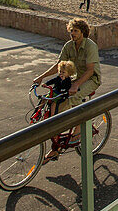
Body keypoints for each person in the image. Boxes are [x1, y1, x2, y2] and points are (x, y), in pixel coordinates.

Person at [35, 19, 102, 157]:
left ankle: (78, 131)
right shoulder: (68, 46)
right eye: (71, 30)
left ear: (83, 32)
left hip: (90, 79)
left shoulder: (90, 46)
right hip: (74, 78)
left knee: (74, 96)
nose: (72, 33)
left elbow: (90, 70)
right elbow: (59, 65)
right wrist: (41, 77)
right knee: (54, 98)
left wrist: (76, 84)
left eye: (76, 31)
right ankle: (58, 139)